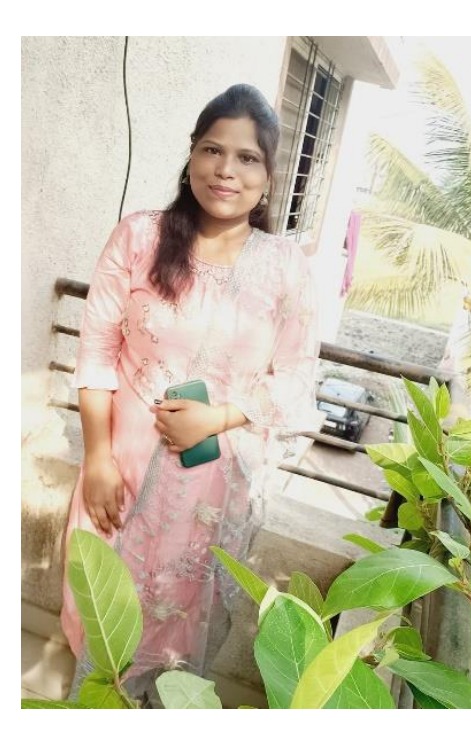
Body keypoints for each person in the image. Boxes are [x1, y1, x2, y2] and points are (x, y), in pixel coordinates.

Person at [60, 83, 320, 694]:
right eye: (212, 150)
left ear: (268, 174)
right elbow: (97, 352)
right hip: (120, 469)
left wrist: (219, 417)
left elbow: (296, 378)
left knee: (175, 650)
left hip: (210, 487)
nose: (226, 170)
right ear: (192, 153)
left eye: (247, 157)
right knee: (105, 625)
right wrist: (97, 459)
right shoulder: (139, 237)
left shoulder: (285, 266)